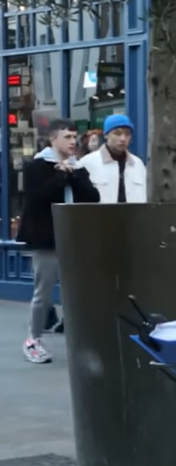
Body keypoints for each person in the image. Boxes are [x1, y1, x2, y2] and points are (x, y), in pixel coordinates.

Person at [18, 119, 100, 363]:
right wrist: (60, 176)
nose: (73, 142)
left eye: (74, 137)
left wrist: (73, 175)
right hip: (47, 238)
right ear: (53, 139)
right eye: (67, 137)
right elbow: (37, 198)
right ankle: (33, 339)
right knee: (43, 292)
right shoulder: (36, 166)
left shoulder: (77, 167)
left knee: (78, 291)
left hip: (75, 237)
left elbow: (93, 197)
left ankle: (81, 340)